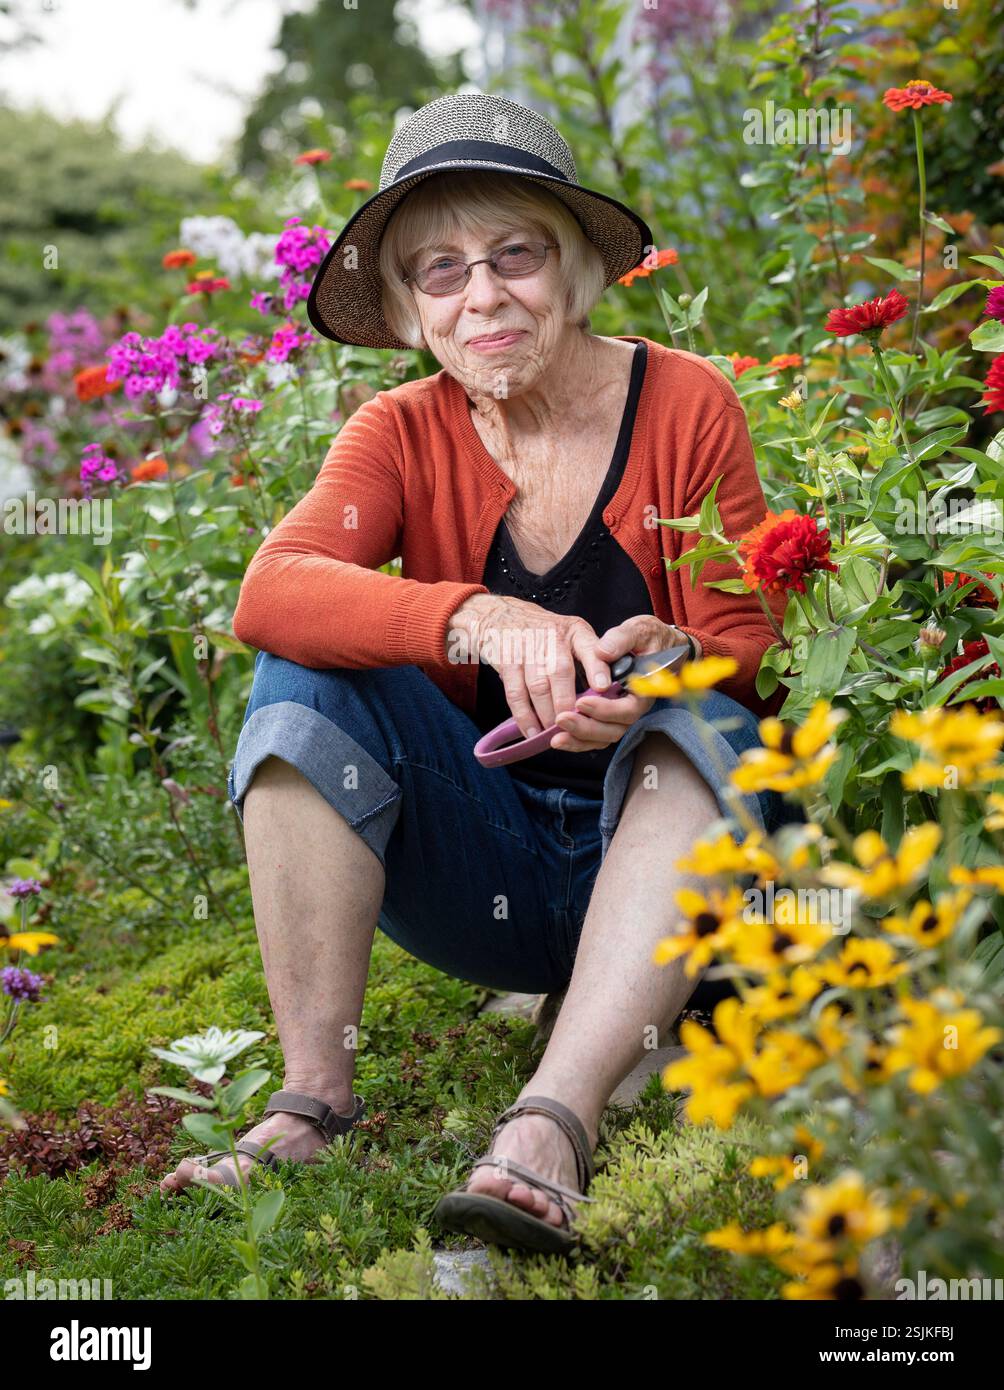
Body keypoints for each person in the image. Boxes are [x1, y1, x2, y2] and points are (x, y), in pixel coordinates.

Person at [159, 91, 790, 1254]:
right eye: (438, 270)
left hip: (663, 858)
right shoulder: (395, 433)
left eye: (514, 253)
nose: (482, 293)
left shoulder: (685, 402)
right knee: (302, 681)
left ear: (573, 269)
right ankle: (313, 1096)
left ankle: (550, 1123)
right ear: (406, 309)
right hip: (482, 863)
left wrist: (672, 659)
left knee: (703, 731)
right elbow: (271, 589)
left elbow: (756, 650)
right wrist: (480, 618)